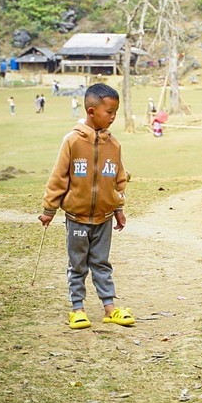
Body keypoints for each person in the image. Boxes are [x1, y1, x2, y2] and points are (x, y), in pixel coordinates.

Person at [38, 83, 134, 330]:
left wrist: (119, 209)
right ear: (92, 111)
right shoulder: (72, 141)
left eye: (115, 112)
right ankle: (77, 309)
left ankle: (109, 308)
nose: (113, 117)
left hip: (104, 217)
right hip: (77, 217)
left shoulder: (114, 145)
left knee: (101, 262)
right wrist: (49, 210)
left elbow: (119, 179)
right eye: (109, 112)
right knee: (78, 264)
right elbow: (59, 177)